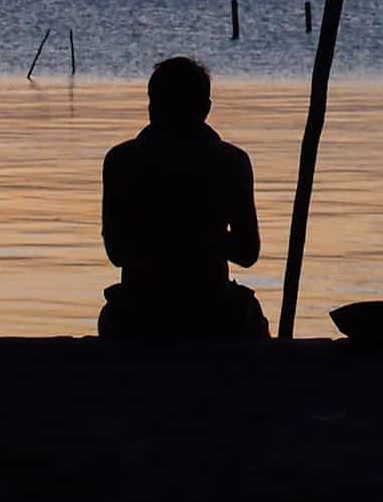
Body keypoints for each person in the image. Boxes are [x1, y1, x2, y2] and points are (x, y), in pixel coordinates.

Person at [100, 56, 266, 340]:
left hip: (139, 312)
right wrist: (206, 236)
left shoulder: (121, 160)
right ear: (206, 108)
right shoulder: (232, 162)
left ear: (152, 105)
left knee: (112, 316)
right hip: (212, 311)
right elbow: (248, 253)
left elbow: (116, 253)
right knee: (249, 316)